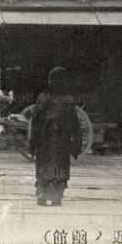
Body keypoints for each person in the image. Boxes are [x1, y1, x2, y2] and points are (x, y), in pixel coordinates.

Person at [29, 67, 82, 207]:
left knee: (43, 167)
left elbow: (35, 122)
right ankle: (56, 197)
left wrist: (32, 143)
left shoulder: (42, 98)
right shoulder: (68, 100)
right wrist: (76, 145)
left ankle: (41, 195)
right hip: (61, 140)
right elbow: (75, 125)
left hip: (43, 140)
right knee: (60, 167)